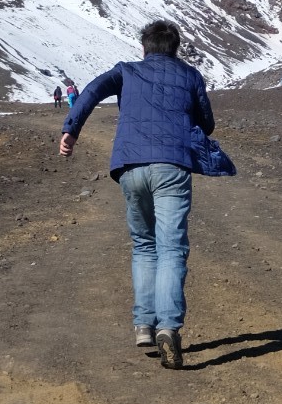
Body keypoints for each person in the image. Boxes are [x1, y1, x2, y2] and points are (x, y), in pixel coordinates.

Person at [58, 21, 222, 369]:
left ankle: (144, 325)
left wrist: (71, 130)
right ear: (175, 48)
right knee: (171, 247)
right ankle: (168, 328)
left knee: (144, 245)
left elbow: (89, 92)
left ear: (144, 48)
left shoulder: (126, 71)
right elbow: (206, 124)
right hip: (172, 167)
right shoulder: (190, 75)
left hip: (130, 166)